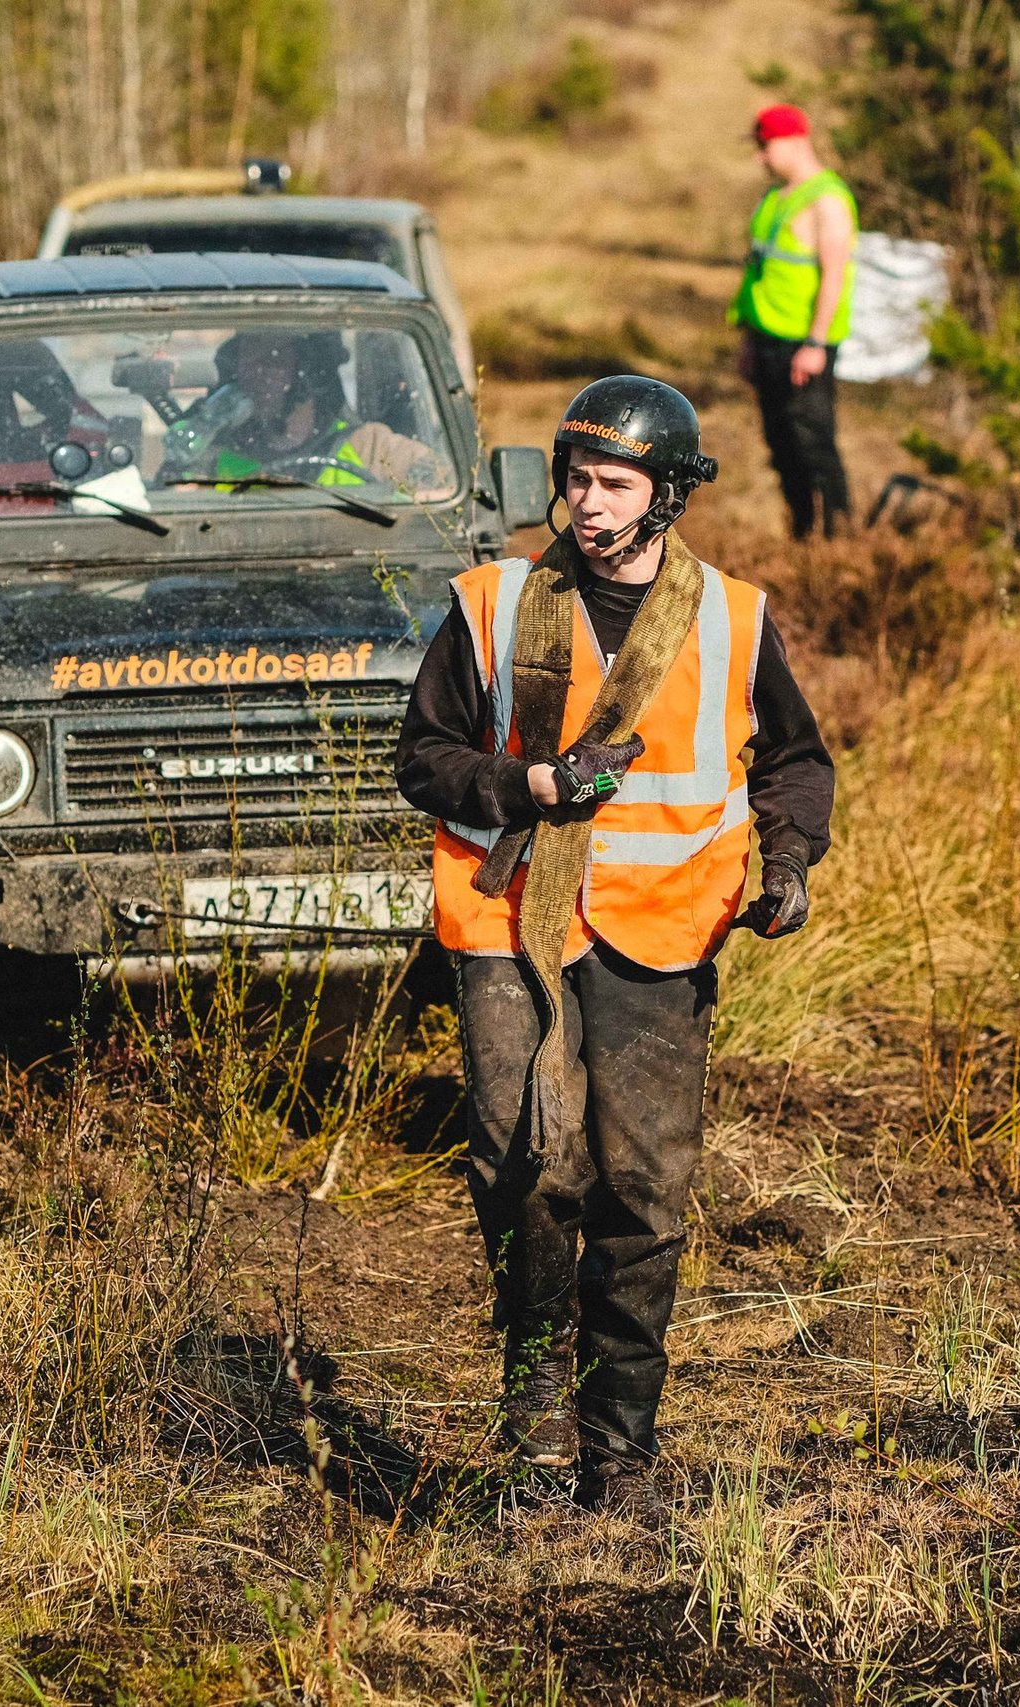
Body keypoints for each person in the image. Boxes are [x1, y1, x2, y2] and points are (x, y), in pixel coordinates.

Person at [396, 376, 834, 1517]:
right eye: (575, 480)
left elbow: (794, 762)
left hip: (661, 934)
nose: (585, 506)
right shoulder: (491, 603)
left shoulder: (734, 616)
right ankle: (537, 1419)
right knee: (529, 1167)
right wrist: (525, 781)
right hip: (508, 922)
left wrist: (783, 866)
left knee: (642, 1192)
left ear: (669, 496)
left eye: (614, 485)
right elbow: (423, 759)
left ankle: (619, 1451)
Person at [731, 103, 857, 540]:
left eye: (765, 146)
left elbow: (834, 276)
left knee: (813, 442)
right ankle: (802, 534)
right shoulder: (775, 198)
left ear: (795, 141)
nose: (760, 157)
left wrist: (816, 344)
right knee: (781, 444)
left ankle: (838, 537)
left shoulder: (829, 199)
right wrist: (749, 340)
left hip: (802, 345)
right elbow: (761, 271)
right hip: (766, 339)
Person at [161, 329, 446, 496]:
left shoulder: (372, 449)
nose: (254, 376)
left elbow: (444, 492)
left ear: (311, 374)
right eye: (247, 362)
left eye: (272, 362)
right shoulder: (211, 457)